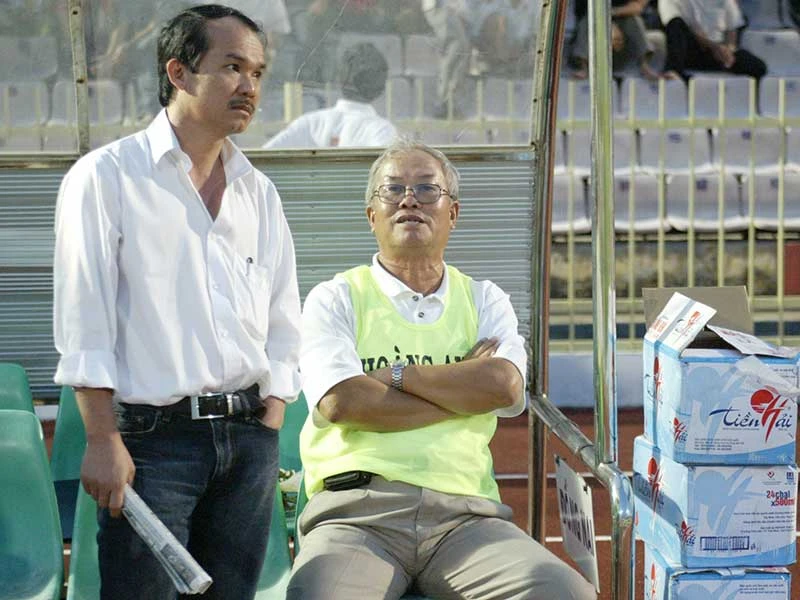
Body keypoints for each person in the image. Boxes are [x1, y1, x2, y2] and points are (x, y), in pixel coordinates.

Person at [52, 5, 302, 599]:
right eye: (232, 67)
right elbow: (84, 321)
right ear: (179, 72)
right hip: (151, 445)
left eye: (258, 73)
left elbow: (282, 314)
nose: (249, 86)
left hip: (247, 443)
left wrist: (273, 408)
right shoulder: (106, 177)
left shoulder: (258, 192)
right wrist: (101, 438)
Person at [286, 139, 596, 600]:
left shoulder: (485, 299)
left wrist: (397, 377)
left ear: (453, 213)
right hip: (357, 514)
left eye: (427, 189)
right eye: (393, 189)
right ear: (372, 216)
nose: (409, 200)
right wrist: (463, 393)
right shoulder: (335, 297)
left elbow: (504, 387)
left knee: (565, 593)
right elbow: (341, 402)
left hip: (467, 520)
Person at [263, 41, 397, 148]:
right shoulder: (382, 131)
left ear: (339, 79)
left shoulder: (308, 124)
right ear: (382, 87)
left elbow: (263, 160)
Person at [422, 0, 539, 117]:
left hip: (457, 13)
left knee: (461, 48)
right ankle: (444, 102)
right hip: (444, 7)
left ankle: (448, 102)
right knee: (458, 47)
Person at [658, 0, 767, 82]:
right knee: (676, 26)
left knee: (757, 67)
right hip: (689, 50)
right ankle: (674, 72)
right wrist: (714, 47)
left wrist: (729, 50)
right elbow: (679, 28)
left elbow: (732, 28)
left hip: (716, 52)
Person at [570, 0, 668, 81]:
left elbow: (636, 7)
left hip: (619, 20)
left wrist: (613, 13)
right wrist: (609, 26)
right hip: (594, 21)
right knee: (586, 22)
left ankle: (644, 65)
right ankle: (584, 66)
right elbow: (586, 10)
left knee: (634, 20)